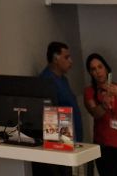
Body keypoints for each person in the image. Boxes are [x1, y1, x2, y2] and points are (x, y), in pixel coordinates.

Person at [35, 41, 84, 176]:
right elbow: (50, 117)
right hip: (60, 144)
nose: (71, 61)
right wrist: (65, 146)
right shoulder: (46, 81)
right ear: (56, 59)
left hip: (71, 142)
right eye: (66, 57)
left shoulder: (63, 80)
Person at [84, 52, 117, 176]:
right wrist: (104, 105)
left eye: (100, 67)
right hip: (105, 146)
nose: (98, 71)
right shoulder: (89, 91)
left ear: (106, 68)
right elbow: (94, 113)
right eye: (93, 69)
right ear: (90, 73)